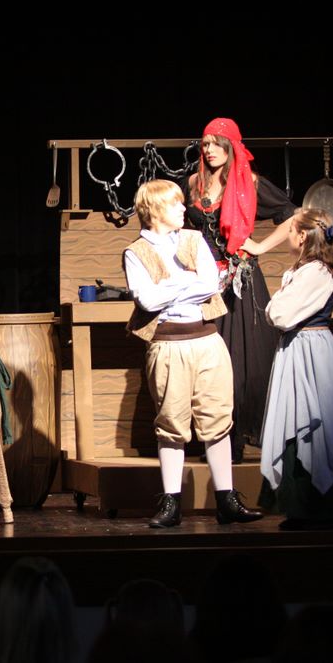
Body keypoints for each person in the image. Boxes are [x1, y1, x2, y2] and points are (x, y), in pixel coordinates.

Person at [124, 179, 262, 528]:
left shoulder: (193, 239)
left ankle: (226, 499)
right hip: (168, 345)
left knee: (218, 420)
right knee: (171, 424)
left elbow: (210, 285)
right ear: (155, 210)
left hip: (206, 341)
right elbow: (147, 300)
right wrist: (187, 281)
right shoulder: (135, 252)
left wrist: (170, 286)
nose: (183, 209)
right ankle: (171, 502)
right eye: (175, 204)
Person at [186, 118, 296, 461]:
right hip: (205, 283)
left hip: (240, 282)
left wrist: (260, 246)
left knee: (244, 363)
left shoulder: (250, 182)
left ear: (230, 146)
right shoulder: (194, 183)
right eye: (205, 144)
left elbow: (293, 215)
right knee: (208, 361)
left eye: (216, 144)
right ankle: (214, 438)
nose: (209, 150)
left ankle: (239, 439)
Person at [258, 208, 333, 530]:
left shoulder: (316, 272)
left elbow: (279, 315)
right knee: (295, 417)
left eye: (290, 231)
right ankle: (302, 508)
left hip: (311, 352)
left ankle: (324, 507)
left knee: (315, 422)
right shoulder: (303, 270)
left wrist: (275, 306)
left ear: (302, 236)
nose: (287, 236)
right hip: (299, 348)